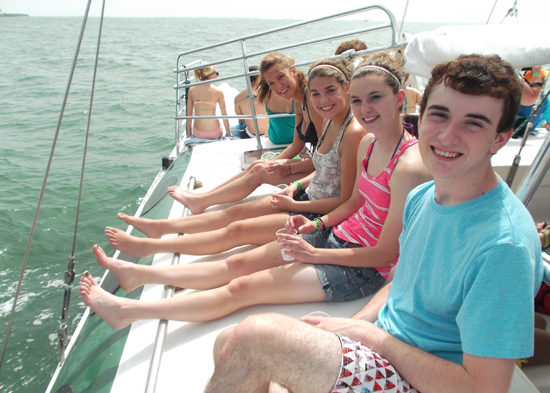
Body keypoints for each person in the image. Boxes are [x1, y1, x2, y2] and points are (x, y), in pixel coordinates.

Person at [198, 54, 544, 393]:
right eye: (439, 115)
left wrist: (376, 339)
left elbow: (484, 388)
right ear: (420, 117)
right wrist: (358, 323)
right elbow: (400, 283)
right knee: (230, 344)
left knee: (254, 339)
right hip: (386, 346)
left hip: (421, 378)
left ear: (500, 137)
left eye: (473, 122)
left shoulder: (503, 246)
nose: (447, 136)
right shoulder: (422, 197)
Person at [79, 52, 431, 327]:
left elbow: (385, 255)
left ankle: (127, 312)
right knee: (238, 261)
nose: (364, 109)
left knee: (242, 288)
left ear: (399, 98)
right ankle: (138, 273)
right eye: (358, 100)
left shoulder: (408, 165)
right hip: (336, 235)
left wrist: (316, 253)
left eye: (375, 99)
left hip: (361, 268)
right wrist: (315, 227)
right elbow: (354, 201)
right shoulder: (371, 143)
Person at [104, 58, 365, 258]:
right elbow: (313, 156)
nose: (322, 100)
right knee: (239, 207)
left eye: (280, 78)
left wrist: (290, 182)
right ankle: (164, 227)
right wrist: (292, 182)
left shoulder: (340, 124)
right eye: (271, 83)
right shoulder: (322, 116)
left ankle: (154, 244)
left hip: (315, 210)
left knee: (237, 228)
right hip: (307, 195)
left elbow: (341, 192)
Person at [167, 52, 324, 214]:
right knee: (258, 165)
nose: (278, 86)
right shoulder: (300, 102)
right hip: (315, 164)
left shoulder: (312, 102)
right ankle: (203, 196)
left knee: (259, 172)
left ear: (293, 70)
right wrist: (273, 163)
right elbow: (297, 145)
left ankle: (200, 202)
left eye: (281, 77)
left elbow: (325, 161)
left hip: (320, 173)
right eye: (271, 83)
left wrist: (287, 169)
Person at [186, 65, 230, 139]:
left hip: (198, 132)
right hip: (215, 132)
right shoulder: (218, 91)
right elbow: (224, 115)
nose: (217, 75)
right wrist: (228, 133)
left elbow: (188, 115)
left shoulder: (192, 90)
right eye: (216, 73)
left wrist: (189, 134)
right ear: (211, 75)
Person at [230, 65, 269, 138]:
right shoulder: (269, 93)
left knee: (232, 127)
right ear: (258, 77)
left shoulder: (238, 97)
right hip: (268, 132)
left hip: (250, 134)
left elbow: (240, 121)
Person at [512, 65, 547, 139]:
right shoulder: (545, 100)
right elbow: (531, 98)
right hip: (525, 130)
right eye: (543, 78)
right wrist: (537, 73)